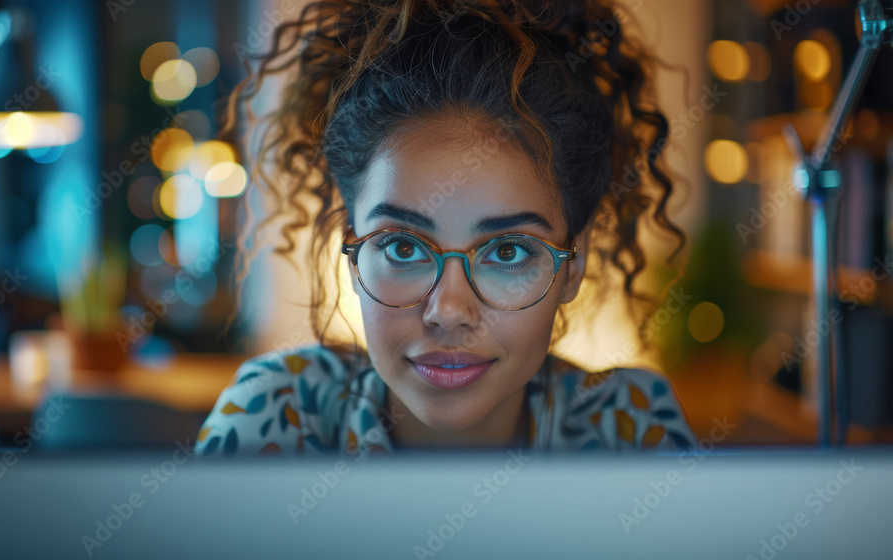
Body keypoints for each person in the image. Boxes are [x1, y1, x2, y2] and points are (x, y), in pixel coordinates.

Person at [196, 0, 697, 457]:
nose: (449, 313)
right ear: (351, 252)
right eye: (402, 246)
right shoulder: (276, 416)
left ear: (573, 265)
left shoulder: (631, 427)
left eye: (507, 252)